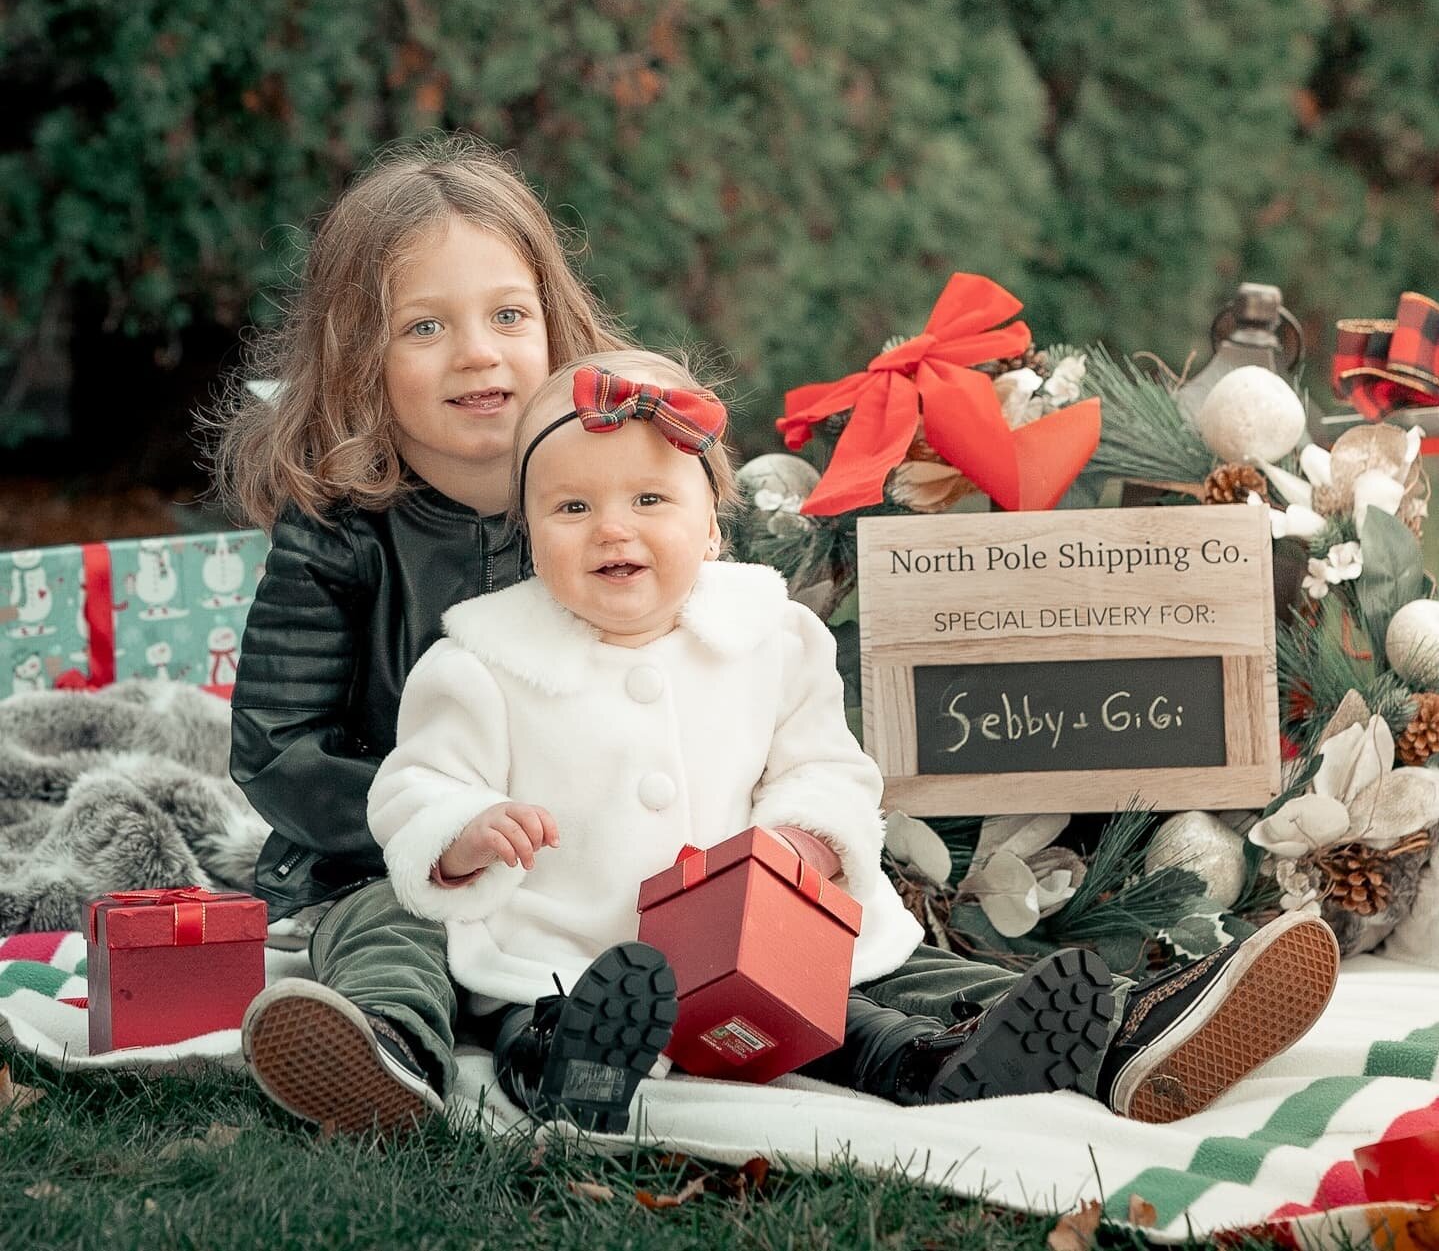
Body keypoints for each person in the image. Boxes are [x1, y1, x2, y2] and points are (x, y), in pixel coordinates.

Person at [365, 351, 1341, 1135]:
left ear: (712, 525)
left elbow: (825, 767)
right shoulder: (486, 662)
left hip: (762, 946)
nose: (608, 527)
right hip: (573, 951)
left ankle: (937, 1068)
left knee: (837, 1016)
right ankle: (572, 1068)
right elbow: (415, 785)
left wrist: (804, 839)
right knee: (552, 1008)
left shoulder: (767, 634)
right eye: (571, 507)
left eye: (648, 501)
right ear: (528, 533)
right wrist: (465, 828)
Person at [215, 134, 630, 1135]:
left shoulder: (606, 500)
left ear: (553, 324)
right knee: (399, 930)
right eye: (426, 325)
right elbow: (274, 746)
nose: (477, 351)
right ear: (362, 356)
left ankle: (564, 1052)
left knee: (608, 931)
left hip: (570, 853)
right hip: (380, 857)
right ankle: (382, 1049)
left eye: (505, 314)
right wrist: (434, 825)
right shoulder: (337, 531)